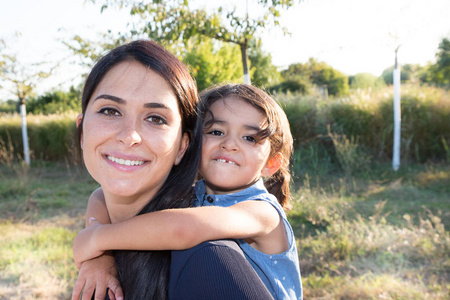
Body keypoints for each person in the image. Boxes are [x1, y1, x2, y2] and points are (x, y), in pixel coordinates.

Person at [73, 40, 274, 300]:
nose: (129, 136)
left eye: (155, 118)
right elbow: (99, 195)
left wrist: (97, 240)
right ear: (81, 130)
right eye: (110, 111)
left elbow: (181, 229)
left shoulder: (210, 263)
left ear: (182, 146)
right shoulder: (104, 255)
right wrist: (99, 251)